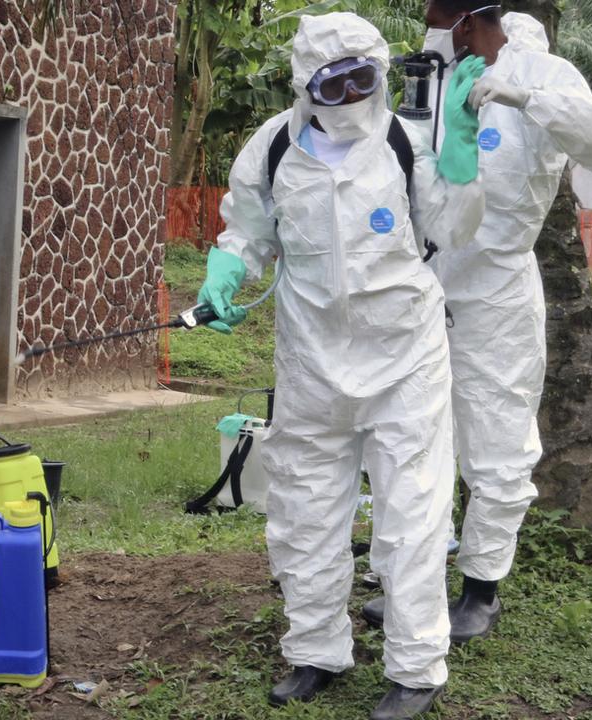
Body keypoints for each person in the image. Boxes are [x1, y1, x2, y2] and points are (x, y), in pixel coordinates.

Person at [198, 13, 485, 719]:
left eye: (367, 76)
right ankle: (315, 650)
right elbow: (247, 229)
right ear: (307, 85)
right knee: (304, 509)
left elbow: (452, 231)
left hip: (404, 362)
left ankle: (417, 667)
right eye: (339, 80)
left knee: (412, 512)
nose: (355, 92)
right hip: (313, 363)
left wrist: (462, 162)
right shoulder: (272, 148)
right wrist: (225, 269)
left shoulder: (406, 142)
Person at [362, 3, 592, 644]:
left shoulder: (540, 70)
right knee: (411, 442)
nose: (431, 33)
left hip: (496, 296)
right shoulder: (430, 75)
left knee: (497, 444)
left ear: (473, 20)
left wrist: (525, 95)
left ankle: (481, 590)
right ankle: (415, 583)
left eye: (440, 20)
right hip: (418, 291)